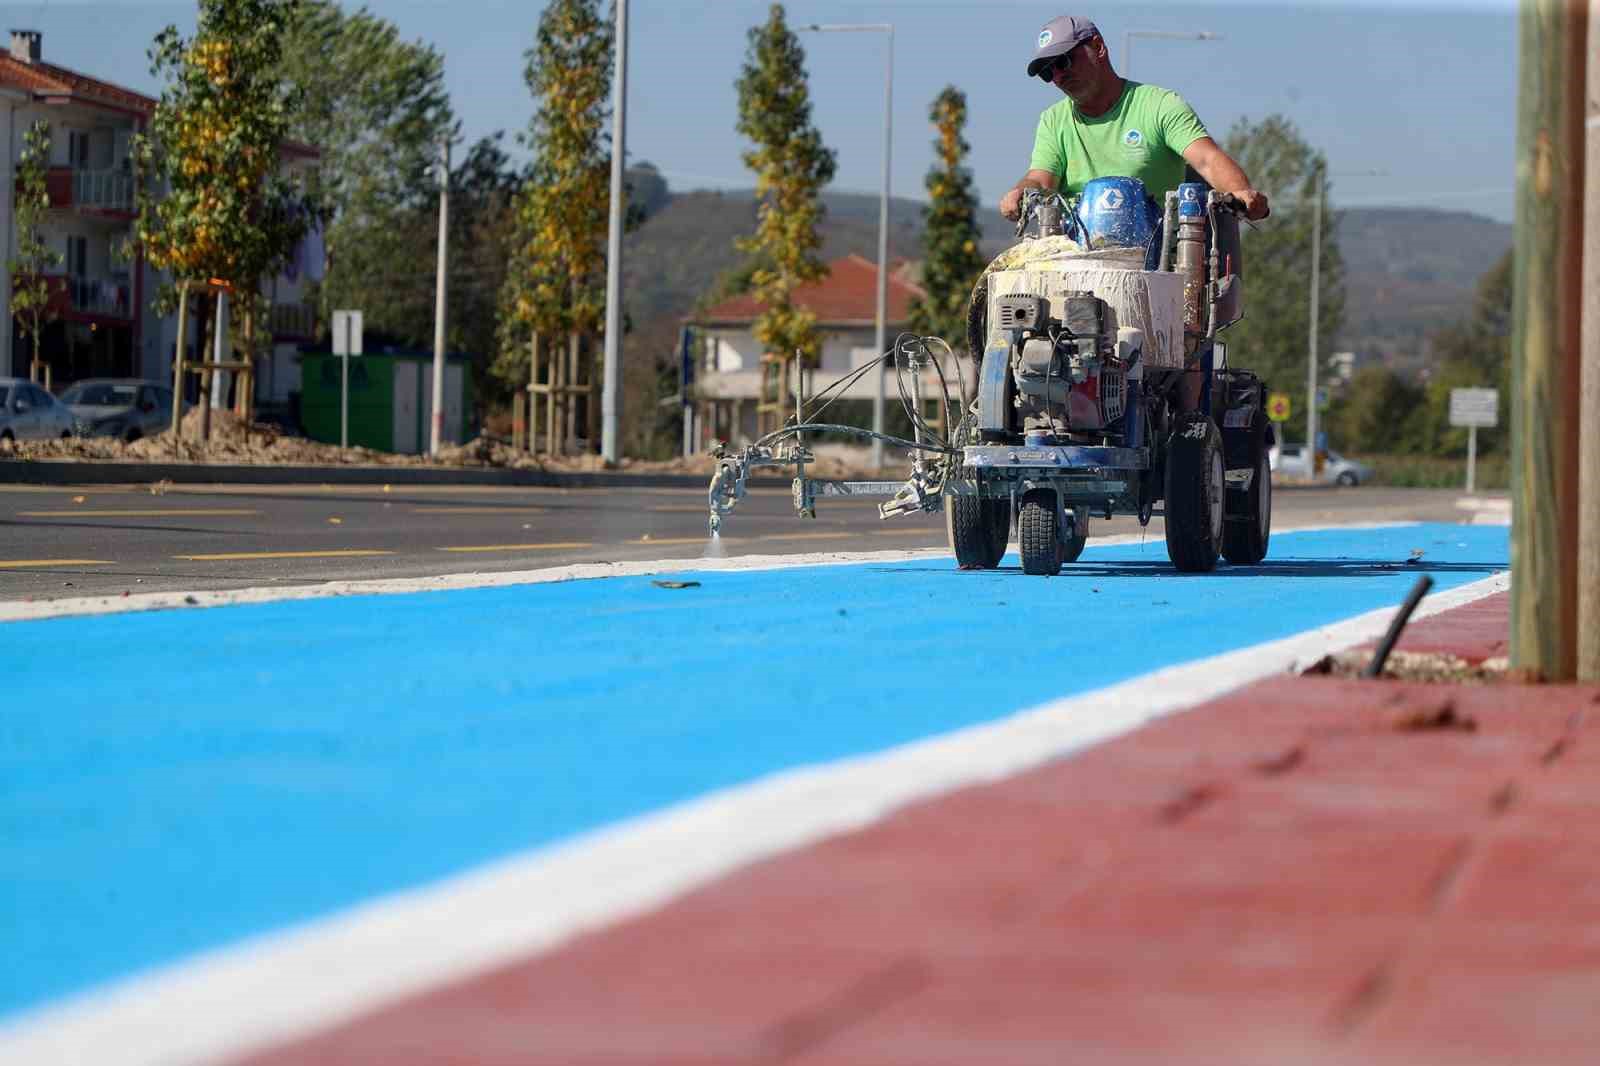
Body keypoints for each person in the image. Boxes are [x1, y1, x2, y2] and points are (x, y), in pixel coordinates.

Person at [999, 15, 1270, 224]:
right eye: (1048, 72)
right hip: (1075, 260)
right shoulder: (1053, 120)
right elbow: (1041, 180)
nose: (1058, 77)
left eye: (1064, 62)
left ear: (1098, 47)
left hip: (1159, 263)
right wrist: (1021, 191)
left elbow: (1207, 160)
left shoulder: (1159, 105)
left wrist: (1241, 192)